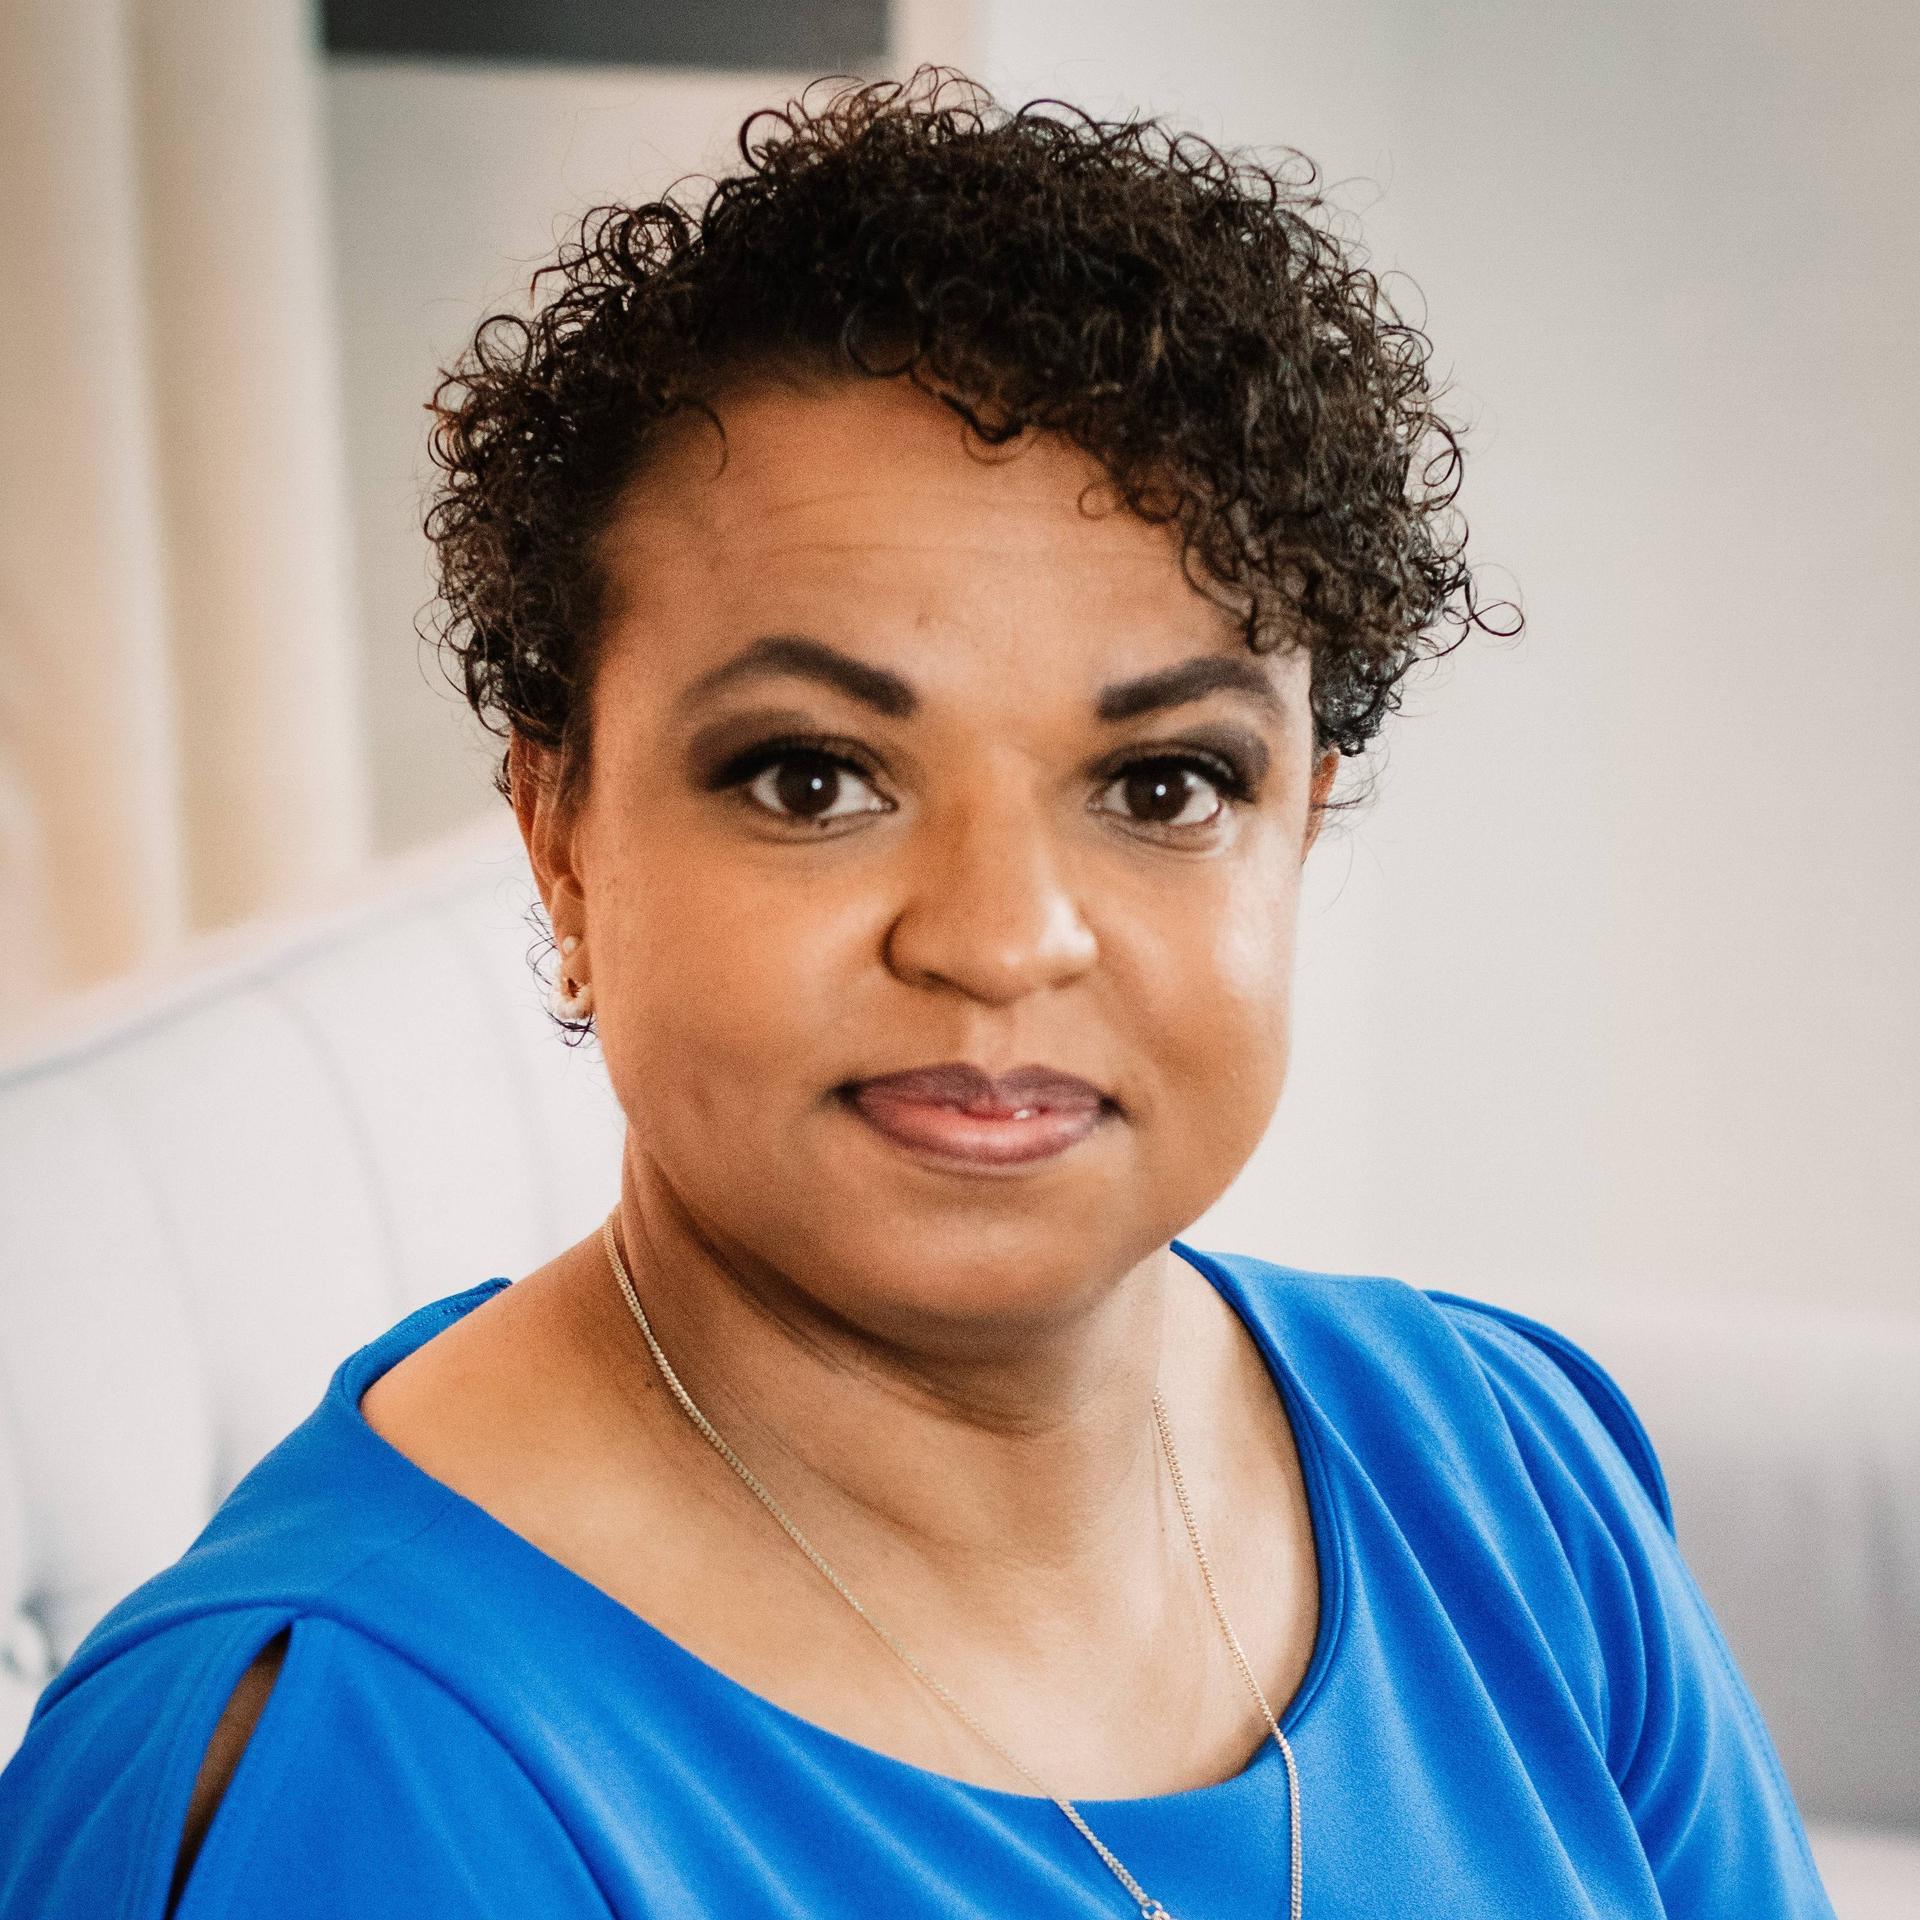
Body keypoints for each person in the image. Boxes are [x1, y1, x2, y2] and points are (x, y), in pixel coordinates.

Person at [0, 68, 1834, 1920]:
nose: (1002, 938)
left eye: (1164, 785)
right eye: (813, 778)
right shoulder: (353, 1774)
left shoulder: (1511, 1477)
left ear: (1301, 820)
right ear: (560, 837)